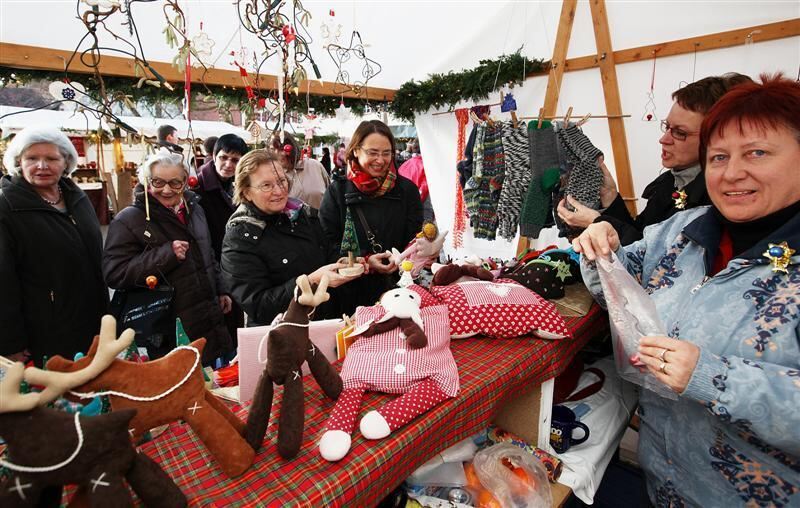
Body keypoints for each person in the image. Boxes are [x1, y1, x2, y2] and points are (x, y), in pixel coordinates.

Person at [573, 74, 800, 507]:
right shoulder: (680, 233)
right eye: (718, 157)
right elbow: (619, 291)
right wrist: (599, 247)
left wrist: (711, 377)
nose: (733, 173)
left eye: (757, 153)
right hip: (666, 484)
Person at [558, 73, 752, 245]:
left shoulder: (720, 199)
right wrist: (610, 198)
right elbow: (640, 236)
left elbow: (657, 262)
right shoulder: (668, 184)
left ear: (716, 138)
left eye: (679, 133)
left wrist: (597, 222)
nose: (664, 139)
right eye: (666, 127)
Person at [103, 152, 232, 364]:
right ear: (147, 181)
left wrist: (220, 289)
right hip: (164, 325)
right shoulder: (129, 219)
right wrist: (165, 254)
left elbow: (207, 253)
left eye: (175, 183)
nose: (166, 189)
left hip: (205, 315)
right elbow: (115, 273)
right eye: (158, 182)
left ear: (185, 183)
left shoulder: (195, 209)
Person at [0, 127, 107, 367]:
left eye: (51, 158)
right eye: (32, 158)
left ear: (66, 162)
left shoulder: (76, 197)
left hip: (90, 323)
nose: (42, 166)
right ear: (19, 162)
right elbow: (3, 281)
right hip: (44, 334)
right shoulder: (7, 207)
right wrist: (10, 343)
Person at [221, 150, 361, 326]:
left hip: (324, 324)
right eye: (266, 185)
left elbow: (325, 251)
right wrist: (309, 282)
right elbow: (259, 306)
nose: (279, 191)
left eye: (282, 181)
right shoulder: (240, 237)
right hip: (284, 338)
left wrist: (347, 263)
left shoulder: (302, 213)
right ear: (246, 192)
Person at [319, 120, 423, 312]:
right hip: (350, 297)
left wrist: (405, 258)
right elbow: (326, 244)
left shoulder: (407, 190)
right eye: (373, 153)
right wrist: (365, 262)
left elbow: (415, 237)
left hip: (400, 293)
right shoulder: (337, 192)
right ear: (356, 150)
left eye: (386, 153)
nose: (380, 160)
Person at [196, 133, 249, 346]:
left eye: (235, 160)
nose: (228, 164)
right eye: (223, 157)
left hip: (231, 265)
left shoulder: (237, 186)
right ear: (214, 156)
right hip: (211, 267)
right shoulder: (197, 189)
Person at [269, 134, 330, 209]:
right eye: (272, 149)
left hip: (322, 218)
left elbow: (331, 194)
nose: (277, 153)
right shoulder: (271, 174)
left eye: (281, 149)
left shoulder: (314, 165)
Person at [397, 139, 435, 221]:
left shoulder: (404, 164)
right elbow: (424, 188)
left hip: (404, 205)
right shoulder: (426, 165)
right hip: (422, 205)